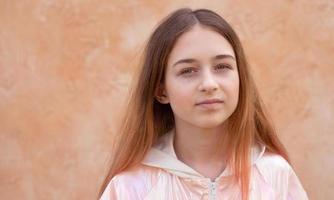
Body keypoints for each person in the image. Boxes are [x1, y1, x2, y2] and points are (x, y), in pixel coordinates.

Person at [98, 7, 308, 200]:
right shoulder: (130, 188)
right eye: (187, 71)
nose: (209, 84)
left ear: (240, 78)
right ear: (161, 91)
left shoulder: (275, 176)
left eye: (222, 66)